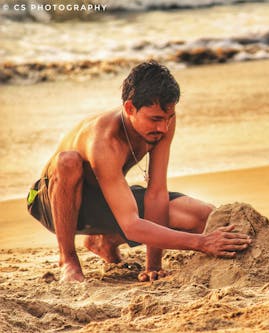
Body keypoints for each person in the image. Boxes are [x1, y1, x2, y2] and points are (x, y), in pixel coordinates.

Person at [27, 61, 252, 282]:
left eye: (169, 118)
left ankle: (104, 242)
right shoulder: (105, 141)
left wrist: (153, 265)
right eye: (155, 119)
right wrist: (201, 243)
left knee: (203, 217)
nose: (163, 128)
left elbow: (156, 193)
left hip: (105, 197)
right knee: (69, 162)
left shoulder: (162, 121)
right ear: (129, 108)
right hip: (53, 203)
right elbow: (132, 226)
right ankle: (68, 259)